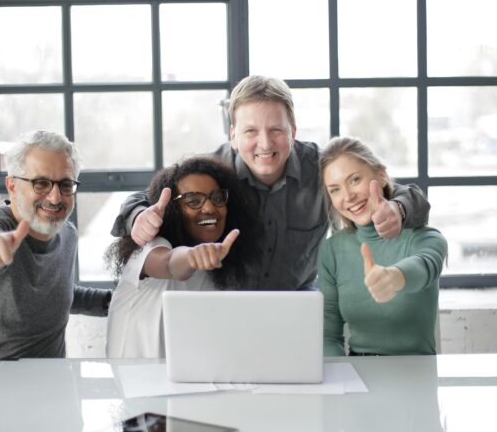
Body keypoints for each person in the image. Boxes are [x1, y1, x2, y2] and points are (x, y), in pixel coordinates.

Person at [111, 75, 431, 290]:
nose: (265, 144)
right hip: (224, 309)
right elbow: (137, 201)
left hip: (300, 305)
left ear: (293, 131)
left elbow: (412, 197)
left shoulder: (323, 168)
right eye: (251, 131)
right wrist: (139, 217)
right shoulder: (208, 172)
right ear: (233, 136)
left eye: (276, 130)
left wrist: (397, 211)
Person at [0, 130, 112, 428]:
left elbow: (59, 292)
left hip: (45, 400)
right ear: (12, 185)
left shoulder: (67, 234)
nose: (55, 197)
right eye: (41, 183)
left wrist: (116, 301)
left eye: (65, 184)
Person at [105, 156, 260, 358]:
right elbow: (169, 263)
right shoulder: (151, 245)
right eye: (193, 201)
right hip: (135, 383)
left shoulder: (221, 262)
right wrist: (191, 257)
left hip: (187, 382)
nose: (209, 208)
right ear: (173, 209)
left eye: (217, 198)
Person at [318, 136, 447, 356]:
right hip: (357, 376)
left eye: (355, 180)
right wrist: (341, 382)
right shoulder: (331, 251)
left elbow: (425, 266)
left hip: (416, 378)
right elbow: (328, 336)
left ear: (381, 175)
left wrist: (393, 277)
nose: (348, 196)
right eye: (335, 189)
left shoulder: (424, 237)